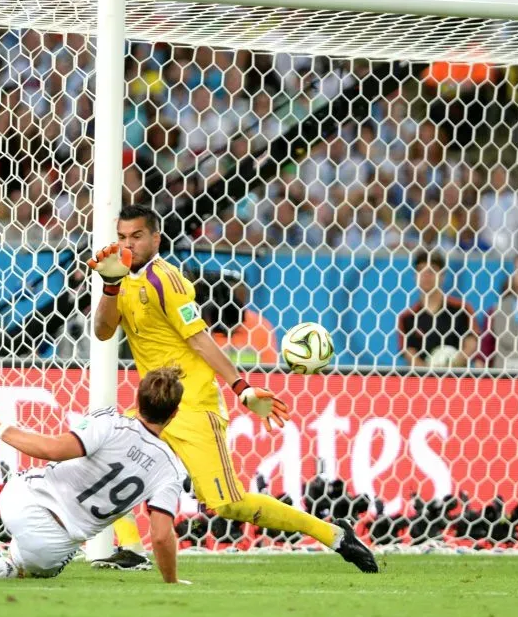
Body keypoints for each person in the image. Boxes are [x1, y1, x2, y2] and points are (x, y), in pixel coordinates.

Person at [85, 204, 377, 573]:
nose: (129, 244)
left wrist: (242, 388)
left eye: (137, 236)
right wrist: (110, 285)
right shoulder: (120, 276)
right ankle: (130, 548)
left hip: (191, 402)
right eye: (123, 237)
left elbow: (200, 340)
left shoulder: (168, 280)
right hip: (155, 403)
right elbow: (103, 331)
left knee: (227, 504)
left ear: (155, 238)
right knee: (100, 457)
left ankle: (334, 535)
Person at [0, 368, 188, 583]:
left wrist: (0, 429)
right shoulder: (170, 468)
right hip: (54, 541)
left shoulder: (109, 422)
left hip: (22, 501)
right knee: (22, 569)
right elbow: (161, 536)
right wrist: (171, 581)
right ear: (174, 414)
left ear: (136, 400)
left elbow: (52, 450)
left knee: (7, 489)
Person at [397, 250, 479, 368]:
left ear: (443, 276)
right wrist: (431, 374)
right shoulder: (407, 317)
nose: (426, 275)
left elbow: (471, 344)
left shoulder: (462, 309)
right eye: (421, 270)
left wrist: (451, 365)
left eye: (432, 270)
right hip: (424, 382)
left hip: (456, 379)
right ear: (415, 276)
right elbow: (410, 354)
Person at [189, 267, 279, 368]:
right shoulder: (199, 325)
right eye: (227, 292)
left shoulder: (261, 326)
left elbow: (270, 371)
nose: (235, 298)